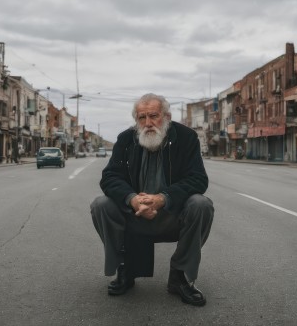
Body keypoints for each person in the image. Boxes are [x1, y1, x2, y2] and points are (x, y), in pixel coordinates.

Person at [90, 93, 214, 306]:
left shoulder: (186, 138)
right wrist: (132, 200)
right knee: (100, 205)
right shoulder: (126, 139)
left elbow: (198, 179)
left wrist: (162, 198)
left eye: (153, 116)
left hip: (172, 215)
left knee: (201, 205)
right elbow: (110, 177)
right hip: (134, 214)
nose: (148, 123)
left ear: (166, 116)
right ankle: (125, 270)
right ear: (136, 120)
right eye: (142, 117)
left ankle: (180, 276)